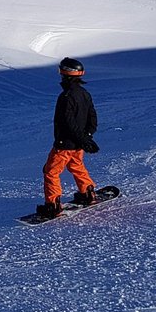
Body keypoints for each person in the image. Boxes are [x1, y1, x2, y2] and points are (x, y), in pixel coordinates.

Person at [36, 57, 100, 218]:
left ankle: (53, 204)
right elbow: (92, 118)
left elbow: (68, 123)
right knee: (76, 165)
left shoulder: (66, 97)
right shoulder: (84, 94)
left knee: (51, 171)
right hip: (78, 144)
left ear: (65, 74)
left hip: (65, 144)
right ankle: (87, 192)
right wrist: (87, 137)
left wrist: (83, 139)